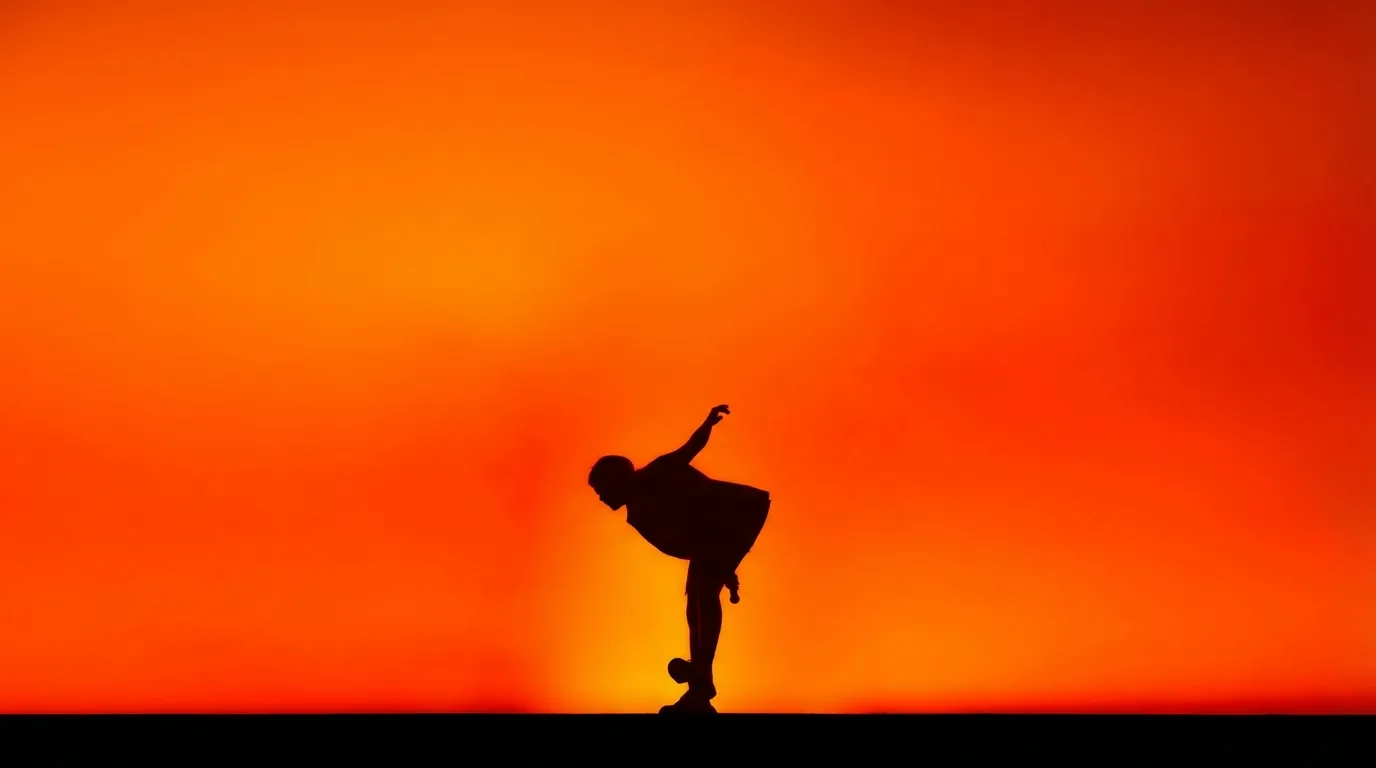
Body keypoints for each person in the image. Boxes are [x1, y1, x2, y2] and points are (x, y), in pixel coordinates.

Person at [588, 404, 771, 713]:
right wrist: (725, 565)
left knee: (702, 597)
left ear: (617, 479)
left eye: (601, 489)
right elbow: (688, 540)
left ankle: (701, 675)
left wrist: (709, 422)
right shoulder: (639, 516)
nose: (601, 498)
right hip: (710, 541)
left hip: (733, 515)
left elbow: (691, 447)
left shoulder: (656, 473)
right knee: (694, 603)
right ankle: (700, 680)